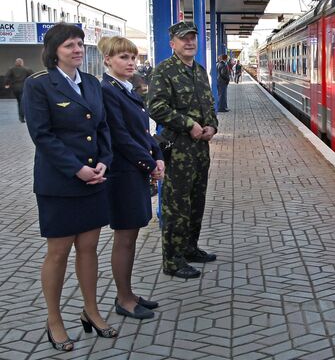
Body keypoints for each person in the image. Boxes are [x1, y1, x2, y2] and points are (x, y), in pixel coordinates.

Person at [22, 23, 117, 352]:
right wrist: (77, 169)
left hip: (94, 179)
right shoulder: (39, 85)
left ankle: (91, 311)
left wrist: (104, 160)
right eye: (68, 46)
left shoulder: (91, 83)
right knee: (58, 253)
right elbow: (42, 135)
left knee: (89, 249)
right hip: (60, 183)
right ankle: (54, 320)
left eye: (79, 44)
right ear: (54, 51)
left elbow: (103, 126)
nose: (77, 49)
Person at [97, 36, 165, 319]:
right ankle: (123, 299)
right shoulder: (108, 90)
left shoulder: (126, 89)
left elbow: (142, 131)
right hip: (123, 175)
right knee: (125, 237)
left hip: (133, 171)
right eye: (123, 57)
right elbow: (120, 137)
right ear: (107, 61)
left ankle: (128, 292)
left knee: (132, 235)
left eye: (133, 57)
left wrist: (157, 153)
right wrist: (149, 163)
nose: (131, 62)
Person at [148, 21, 219, 279]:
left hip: (200, 150)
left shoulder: (200, 71)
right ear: (172, 43)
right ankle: (172, 260)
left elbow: (209, 106)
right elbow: (155, 107)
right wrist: (188, 124)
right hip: (177, 149)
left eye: (192, 38)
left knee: (196, 202)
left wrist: (212, 126)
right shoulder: (164, 71)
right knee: (176, 206)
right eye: (183, 39)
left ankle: (190, 248)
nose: (189, 42)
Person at [4, 58, 33, 122]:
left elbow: (7, 76)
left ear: (16, 63)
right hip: (23, 87)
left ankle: (21, 116)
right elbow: (32, 77)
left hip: (15, 88)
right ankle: (21, 117)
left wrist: (6, 84)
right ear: (22, 63)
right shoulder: (26, 69)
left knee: (19, 102)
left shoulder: (11, 69)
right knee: (22, 102)